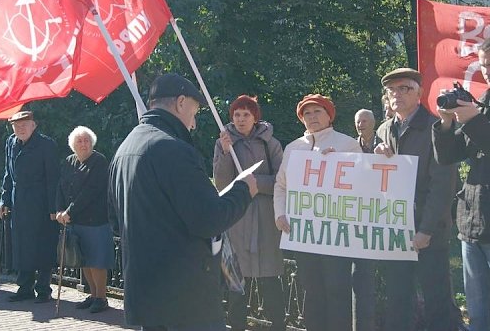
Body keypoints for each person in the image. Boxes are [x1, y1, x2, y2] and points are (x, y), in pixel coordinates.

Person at [109, 73, 258, 331]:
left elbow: (114, 219)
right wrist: (244, 189)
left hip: (146, 294)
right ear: (180, 103)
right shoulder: (173, 149)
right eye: (195, 111)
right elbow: (209, 219)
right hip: (185, 299)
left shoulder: (125, 149)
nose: (193, 122)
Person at [374, 68, 457, 331]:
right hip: (396, 231)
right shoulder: (384, 130)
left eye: (404, 88)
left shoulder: (436, 128)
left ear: (420, 93)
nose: (397, 94)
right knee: (397, 300)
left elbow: (443, 186)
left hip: (427, 232)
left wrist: (426, 230)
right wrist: (373, 154)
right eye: (392, 90)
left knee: (437, 303)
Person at [273, 94, 364, 331]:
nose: (312, 117)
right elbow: (281, 185)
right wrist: (280, 214)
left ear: (329, 115)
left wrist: (337, 164)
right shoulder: (292, 148)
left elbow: (363, 184)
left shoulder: (348, 144)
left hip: (335, 234)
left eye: (317, 112)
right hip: (305, 234)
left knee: (336, 289)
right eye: (307, 113)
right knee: (310, 289)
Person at [213, 95, 285, 331]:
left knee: (270, 279)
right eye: (237, 115)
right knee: (237, 281)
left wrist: (255, 183)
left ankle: (278, 325)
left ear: (255, 117)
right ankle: (236, 326)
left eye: (246, 114)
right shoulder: (224, 143)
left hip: (265, 219)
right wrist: (225, 153)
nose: (241, 119)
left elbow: (282, 181)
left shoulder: (270, 143)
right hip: (238, 219)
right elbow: (222, 184)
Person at [432, 40, 490, 331]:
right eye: (485, 65)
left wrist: (473, 120)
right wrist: (446, 122)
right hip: (474, 222)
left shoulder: (479, 112)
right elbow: (448, 157)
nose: (488, 71)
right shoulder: (483, 102)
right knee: (479, 312)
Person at [0, 111, 59, 303]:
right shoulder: (11, 142)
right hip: (19, 201)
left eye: (25, 124)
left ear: (34, 125)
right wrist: (4, 200)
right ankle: (25, 287)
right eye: (16, 125)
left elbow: (53, 178)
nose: (20, 129)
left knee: (42, 244)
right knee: (21, 245)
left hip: (40, 201)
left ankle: (43, 289)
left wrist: (53, 207)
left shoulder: (46, 145)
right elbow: (8, 173)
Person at [56, 126, 114, 313]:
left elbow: (89, 192)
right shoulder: (69, 161)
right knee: (85, 260)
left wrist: (69, 211)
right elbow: (61, 186)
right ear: (73, 144)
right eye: (79, 141)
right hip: (75, 220)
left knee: (97, 260)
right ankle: (93, 294)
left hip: (95, 220)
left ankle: (101, 298)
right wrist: (59, 209)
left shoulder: (99, 161)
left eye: (87, 140)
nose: (83, 144)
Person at [351, 109, 378, 331]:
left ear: (373, 123)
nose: (361, 124)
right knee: (362, 277)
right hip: (358, 218)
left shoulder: (386, 142)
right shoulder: (349, 147)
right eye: (358, 121)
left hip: (382, 215)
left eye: (365, 120)